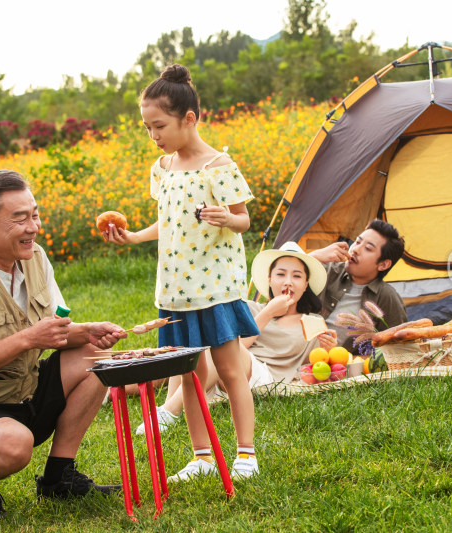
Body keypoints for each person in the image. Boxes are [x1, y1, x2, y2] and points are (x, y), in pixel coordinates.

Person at [0, 170, 129, 520]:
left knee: (96, 356)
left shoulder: (36, 258)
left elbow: (55, 331)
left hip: (23, 394)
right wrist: (28, 338)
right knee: (16, 446)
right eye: (20, 218)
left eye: (34, 214)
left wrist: (88, 332)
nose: (34, 226)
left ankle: (58, 477)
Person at [102, 64, 262, 482]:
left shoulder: (218, 166)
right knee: (189, 375)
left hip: (216, 289)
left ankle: (246, 454)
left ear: (188, 118)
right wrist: (134, 237)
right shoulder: (163, 169)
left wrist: (227, 217)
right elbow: (169, 221)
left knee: (228, 370)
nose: (153, 135)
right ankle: (202, 458)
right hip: (175, 290)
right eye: (147, 128)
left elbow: (244, 220)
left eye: (159, 126)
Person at [130, 241, 336, 436]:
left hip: (264, 377)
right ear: (269, 279)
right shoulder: (249, 308)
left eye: (297, 276)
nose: (288, 281)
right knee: (194, 341)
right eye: (280, 274)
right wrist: (267, 314)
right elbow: (236, 346)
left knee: (223, 347)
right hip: (229, 371)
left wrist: (328, 349)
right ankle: (161, 405)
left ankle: (169, 412)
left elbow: (315, 368)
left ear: (306, 283)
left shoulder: (312, 322)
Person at [308, 219, 407, 353]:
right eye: (357, 242)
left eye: (368, 248)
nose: (355, 249)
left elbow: (399, 348)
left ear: (383, 264)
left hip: (340, 369)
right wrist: (313, 257)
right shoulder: (325, 270)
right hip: (293, 358)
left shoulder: (387, 297)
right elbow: (276, 281)